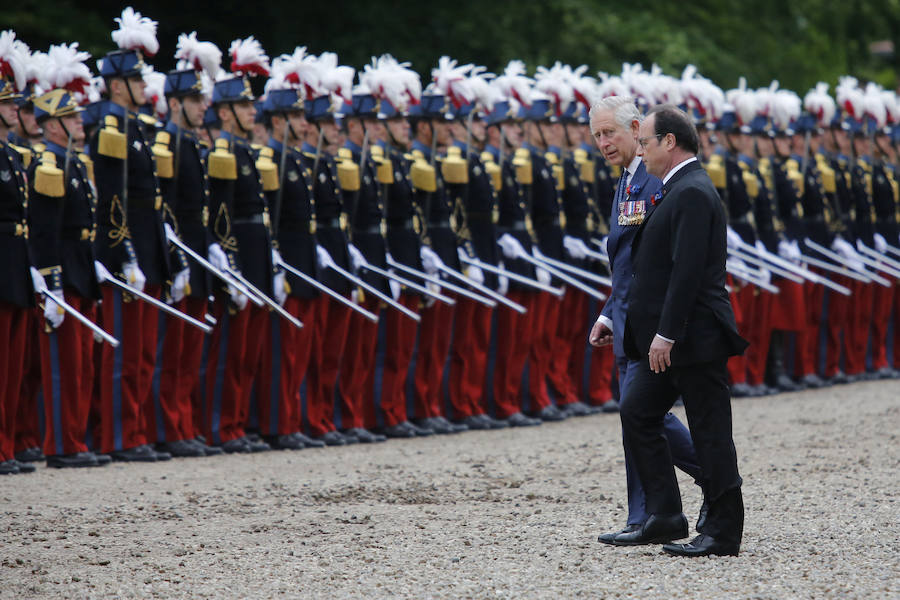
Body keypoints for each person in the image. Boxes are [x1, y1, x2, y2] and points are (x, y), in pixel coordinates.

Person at [618, 104, 747, 557]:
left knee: (710, 429)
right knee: (637, 411)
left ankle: (723, 531)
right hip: (668, 337)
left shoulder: (691, 190)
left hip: (692, 337)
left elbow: (687, 272)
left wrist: (667, 333)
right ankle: (665, 514)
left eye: (646, 142)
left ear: (669, 143)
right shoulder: (676, 188)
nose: (641, 150)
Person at [587, 96, 701, 545]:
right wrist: (608, 313)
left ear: (636, 128)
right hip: (626, 319)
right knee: (633, 419)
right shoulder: (626, 179)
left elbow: (657, 263)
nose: (603, 143)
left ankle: (714, 477)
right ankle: (645, 515)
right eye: (597, 135)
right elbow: (626, 260)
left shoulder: (655, 181)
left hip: (649, 324)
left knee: (643, 415)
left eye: (609, 133)